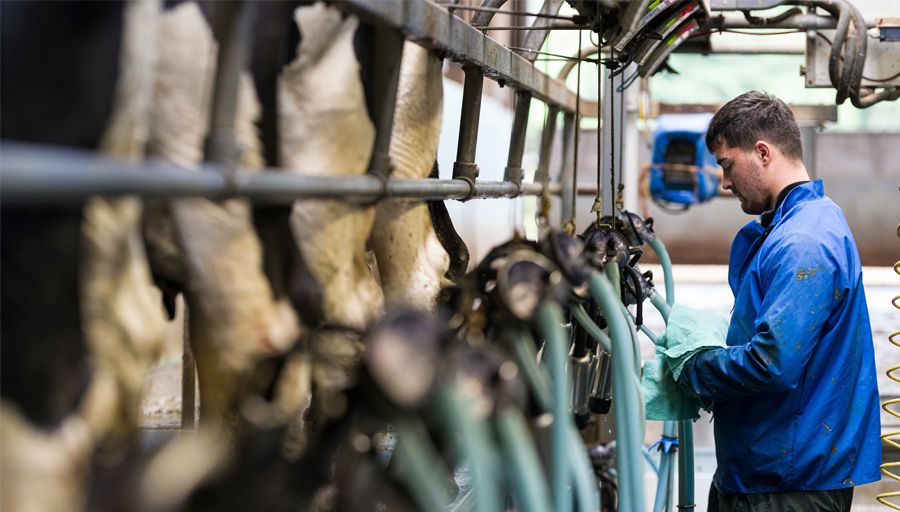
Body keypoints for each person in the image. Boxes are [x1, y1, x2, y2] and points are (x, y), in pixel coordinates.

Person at [675, 91, 882, 511]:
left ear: (763, 153)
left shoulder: (803, 241)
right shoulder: (798, 224)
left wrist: (694, 368)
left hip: (787, 483)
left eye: (726, 164)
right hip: (766, 470)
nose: (725, 181)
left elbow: (772, 362)